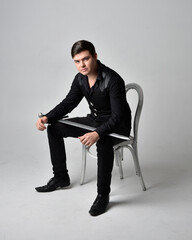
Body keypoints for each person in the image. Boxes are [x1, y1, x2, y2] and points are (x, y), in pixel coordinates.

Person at [35, 40, 131, 216]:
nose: (82, 65)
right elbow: (68, 103)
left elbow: (118, 117)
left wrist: (97, 134)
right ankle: (61, 177)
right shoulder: (80, 78)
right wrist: (47, 117)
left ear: (95, 56)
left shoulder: (113, 79)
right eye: (77, 61)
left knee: (102, 143)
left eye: (85, 59)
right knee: (54, 128)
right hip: (95, 121)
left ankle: (103, 195)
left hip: (117, 127)